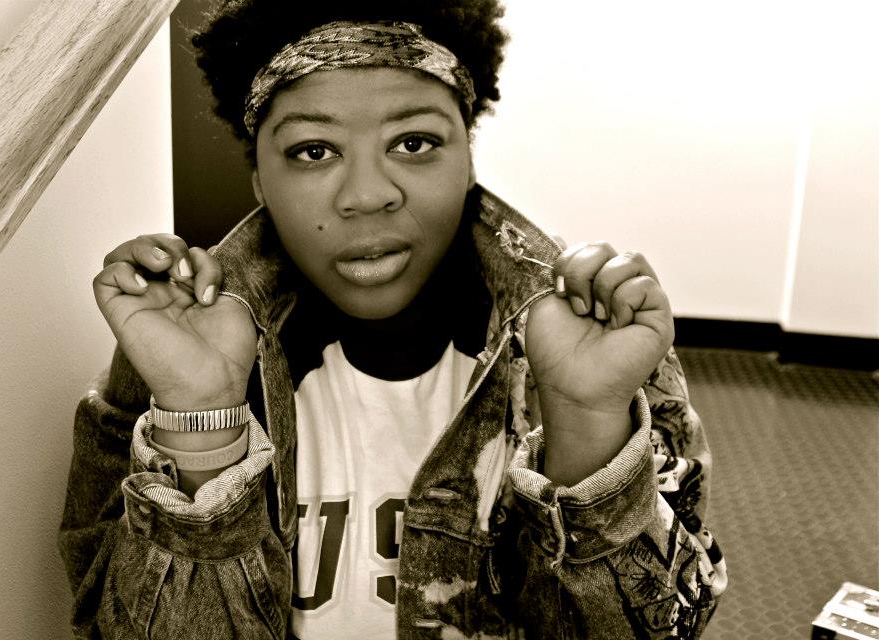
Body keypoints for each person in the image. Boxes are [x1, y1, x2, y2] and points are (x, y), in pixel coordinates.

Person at [59, 1, 728, 637]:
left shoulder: (596, 345)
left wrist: (585, 421)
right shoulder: (168, 366)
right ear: (260, 180)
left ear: (468, 157)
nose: (368, 195)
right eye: (314, 151)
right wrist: (201, 419)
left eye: (413, 142)